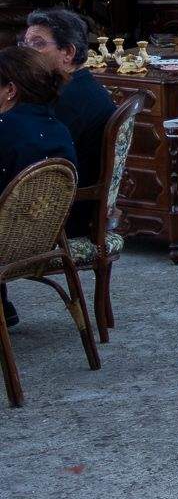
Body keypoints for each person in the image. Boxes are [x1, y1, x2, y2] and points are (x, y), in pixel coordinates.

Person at [0, 45, 77, 328]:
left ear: (11, 89)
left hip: (6, 244)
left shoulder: (5, 127)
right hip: (47, 238)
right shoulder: (59, 127)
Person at [24, 7, 114, 191]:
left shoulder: (73, 98)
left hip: (61, 206)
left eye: (38, 43)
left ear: (68, 52)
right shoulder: (77, 85)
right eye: (25, 44)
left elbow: (37, 160)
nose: (26, 52)